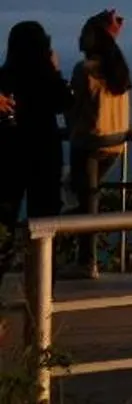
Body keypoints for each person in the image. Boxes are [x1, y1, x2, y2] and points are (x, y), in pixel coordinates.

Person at [66, 10, 132, 280]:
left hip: (90, 140)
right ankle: (81, 251)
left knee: (86, 201)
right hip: (116, 141)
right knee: (88, 196)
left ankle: (86, 261)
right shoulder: (118, 68)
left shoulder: (84, 70)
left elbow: (73, 108)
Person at [0, 23, 71, 266]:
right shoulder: (47, 80)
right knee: (45, 224)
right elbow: (66, 101)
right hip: (45, 157)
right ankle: (42, 288)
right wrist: (55, 70)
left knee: (4, 221)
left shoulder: (5, 77)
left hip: (9, 155)